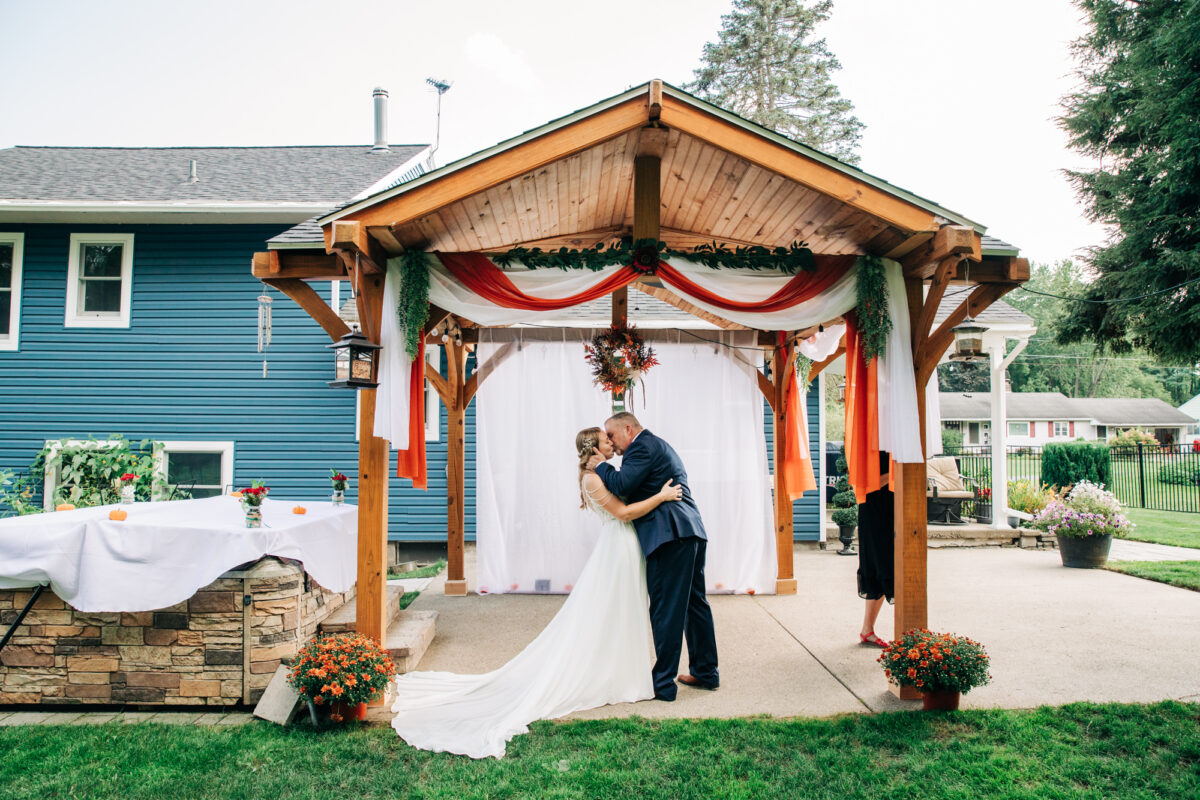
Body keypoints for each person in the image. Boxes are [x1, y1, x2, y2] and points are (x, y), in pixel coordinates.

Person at [389, 426, 682, 759]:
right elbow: (625, 512)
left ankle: (623, 670)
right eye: (606, 441)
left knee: (620, 612)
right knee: (612, 611)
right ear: (594, 448)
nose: (612, 444)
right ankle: (615, 674)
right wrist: (662, 496)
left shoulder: (603, 473)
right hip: (617, 549)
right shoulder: (592, 478)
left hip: (624, 546)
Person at [586, 411, 719, 701]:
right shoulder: (656, 445)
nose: (610, 442)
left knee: (666, 609)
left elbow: (622, 485)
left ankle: (663, 684)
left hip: (669, 536)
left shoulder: (642, 447)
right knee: (694, 604)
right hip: (690, 531)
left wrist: (599, 466)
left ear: (628, 429)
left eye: (612, 435)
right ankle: (706, 672)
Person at [857, 450, 893, 648]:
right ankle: (868, 630)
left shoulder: (895, 444)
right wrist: (895, 472)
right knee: (879, 568)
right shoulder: (867, 446)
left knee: (888, 569)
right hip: (875, 511)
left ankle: (867, 630)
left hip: (893, 508)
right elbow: (867, 483)